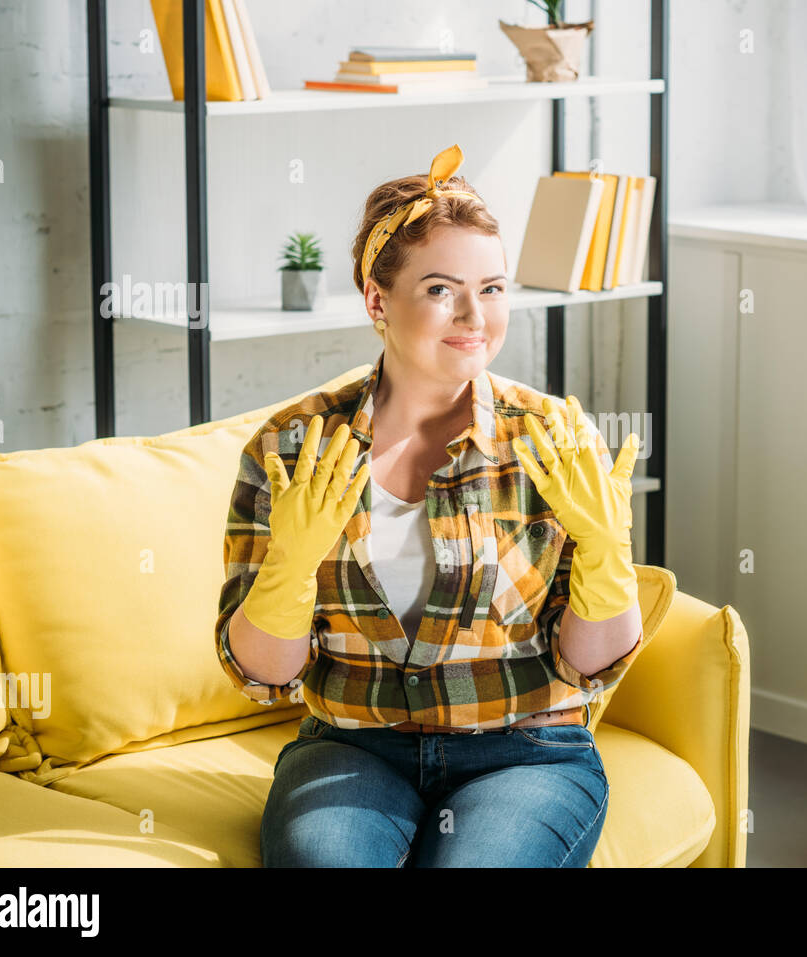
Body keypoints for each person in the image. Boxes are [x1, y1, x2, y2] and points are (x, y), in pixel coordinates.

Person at [214, 144, 644, 867]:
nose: (475, 314)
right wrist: (287, 568)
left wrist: (607, 556)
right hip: (352, 748)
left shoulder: (554, 440)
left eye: (494, 287)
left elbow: (586, 666)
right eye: (442, 288)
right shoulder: (289, 450)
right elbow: (264, 676)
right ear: (377, 299)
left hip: (527, 749)